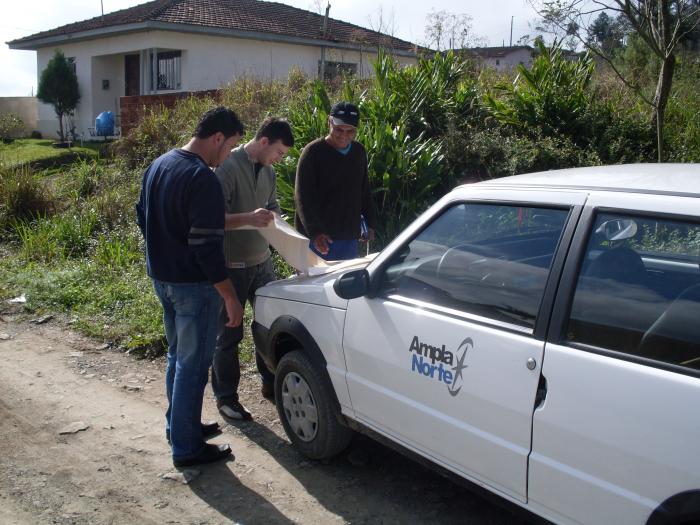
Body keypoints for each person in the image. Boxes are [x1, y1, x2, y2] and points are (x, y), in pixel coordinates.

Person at [136, 106, 245, 468]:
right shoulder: (202, 179)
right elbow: (207, 247)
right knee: (194, 366)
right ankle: (186, 447)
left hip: (162, 278)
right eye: (229, 147)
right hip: (192, 287)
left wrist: (165, 249)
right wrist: (229, 296)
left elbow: (142, 215)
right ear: (217, 138)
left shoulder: (159, 164)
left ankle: (178, 426)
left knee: (177, 358)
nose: (227, 155)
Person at [212, 117, 294, 420]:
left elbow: (271, 209)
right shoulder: (228, 167)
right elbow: (213, 219)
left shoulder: (269, 172)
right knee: (228, 333)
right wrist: (249, 218)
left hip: (262, 262)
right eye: (278, 152)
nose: (278, 159)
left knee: (269, 323)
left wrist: (294, 240)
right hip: (232, 266)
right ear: (263, 142)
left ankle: (270, 383)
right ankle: (226, 398)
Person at [294, 101, 377, 260]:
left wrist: (370, 222)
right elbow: (302, 197)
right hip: (318, 240)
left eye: (350, 131)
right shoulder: (312, 152)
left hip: (348, 238)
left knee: (343, 283)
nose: (344, 135)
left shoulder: (359, 152)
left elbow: (364, 190)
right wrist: (316, 232)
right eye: (338, 129)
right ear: (329, 122)